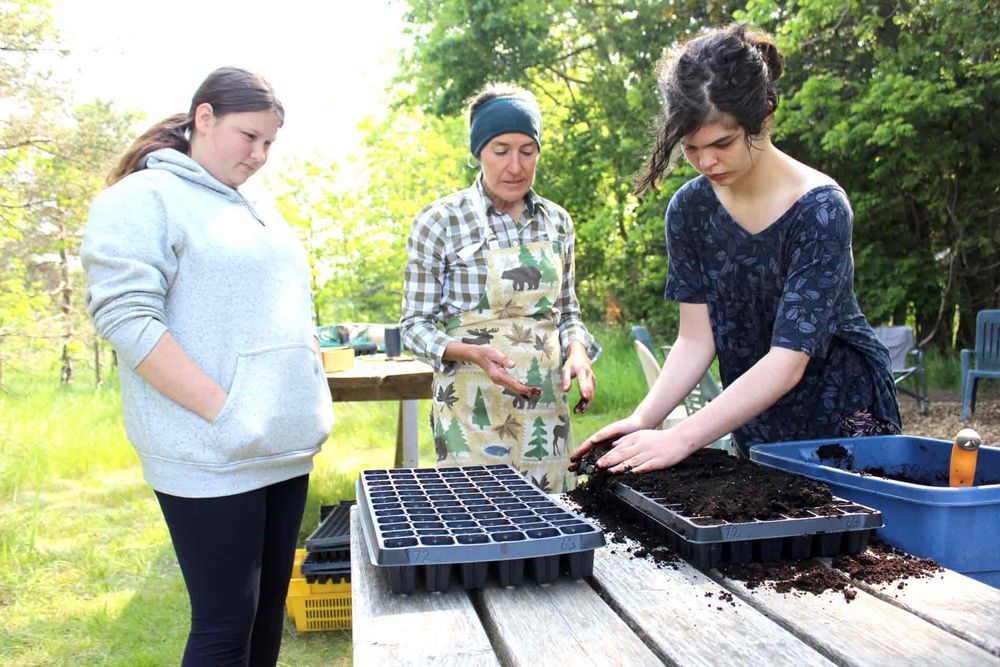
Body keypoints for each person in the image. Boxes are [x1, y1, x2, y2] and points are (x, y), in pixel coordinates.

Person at [82, 67, 333, 666]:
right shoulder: (141, 200)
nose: (260, 154)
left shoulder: (257, 211)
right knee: (225, 624)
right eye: (249, 136)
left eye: (270, 143)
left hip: (282, 446)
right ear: (203, 118)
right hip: (211, 451)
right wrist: (228, 412)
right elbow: (127, 321)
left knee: (266, 613)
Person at [571, 24, 900, 475]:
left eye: (722, 143)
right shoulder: (690, 208)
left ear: (763, 115)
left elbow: (788, 361)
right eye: (691, 149)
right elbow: (695, 337)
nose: (707, 162)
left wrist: (682, 437)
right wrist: (644, 418)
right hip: (751, 410)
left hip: (844, 414)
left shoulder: (820, 208)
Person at [401, 84, 600, 493]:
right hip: (470, 412)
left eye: (527, 150)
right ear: (479, 151)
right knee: (480, 530)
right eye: (501, 150)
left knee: (553, 530)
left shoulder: (557, 222)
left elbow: (568, 313)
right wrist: (471, 352)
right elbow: (414, 326)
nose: (516, 166)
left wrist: (577, 351)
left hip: (544, 409)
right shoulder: (439, 222)